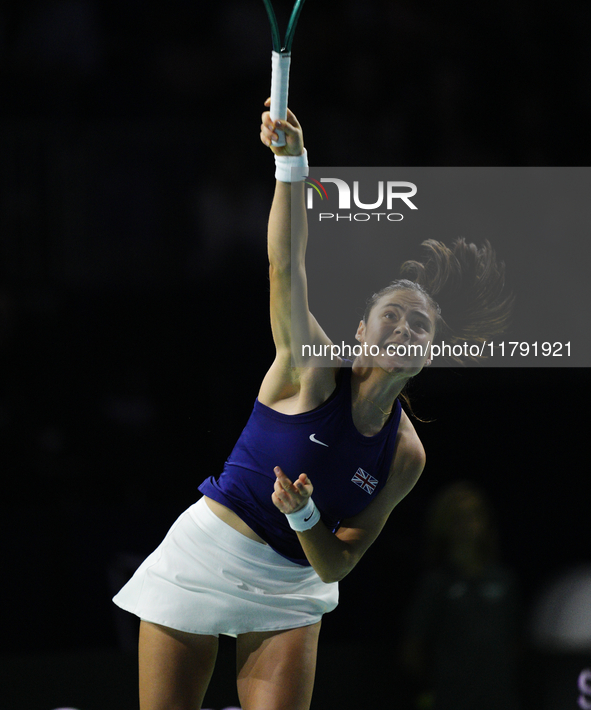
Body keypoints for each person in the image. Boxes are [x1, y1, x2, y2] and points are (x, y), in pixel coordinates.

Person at [113, 103, 513, 710]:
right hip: (206, 553)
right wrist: (291, 165)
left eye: (420, 323)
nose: (404, 326)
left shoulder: (405, 453)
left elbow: (337, 563)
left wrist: (304, 518)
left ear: (429, 353)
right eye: (392, 313)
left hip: (291, 588)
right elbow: (286, 266)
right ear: (361, 330)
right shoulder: (310, 369)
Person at [400, 482, 522, 710]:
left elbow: (515, 643)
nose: (467, 524)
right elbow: (413, 650)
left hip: (500, 700)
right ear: (443, 523)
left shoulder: (505, 581)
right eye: (457, 517)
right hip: (451, 701)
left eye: (473, 515)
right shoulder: (434, 584)